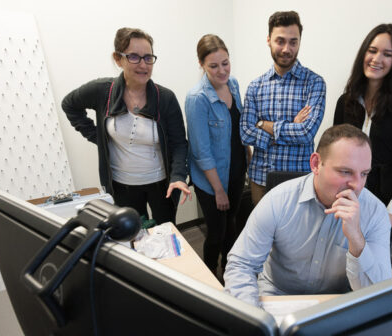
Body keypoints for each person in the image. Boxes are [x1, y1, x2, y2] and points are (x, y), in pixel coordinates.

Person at [224, 124, 392, 307]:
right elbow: (241, 265)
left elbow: (379, 293)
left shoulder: (375, 212)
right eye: (345, 172)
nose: (357, 185)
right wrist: (253, 319)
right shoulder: (278, 200)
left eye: (364, 174)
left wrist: (356, 239)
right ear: (315, 164)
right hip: (278, 296)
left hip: (336, 303)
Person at [62, 27, 191, 225]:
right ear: (118, 59)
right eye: (134, 57)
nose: (143, 65)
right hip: (121, 186)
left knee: (165, 234)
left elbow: (179, 144)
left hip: (161, 185)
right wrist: (100, 138)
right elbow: (69, 105)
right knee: (131, 237)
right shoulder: (101, 91)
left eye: (148, 58)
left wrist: (179, 176)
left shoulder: (165, 98)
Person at [333, 23, 392, 244]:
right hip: (345, 199)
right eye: (372, 50)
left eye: (387, 54)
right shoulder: (346, 101)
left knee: (372, 269)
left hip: (383, 204)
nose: (376, 59)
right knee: (339, 266)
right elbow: (332, 154)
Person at [240, 10, 326, 205]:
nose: (287, 48)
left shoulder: (314, 83)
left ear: (299, 42)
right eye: (280, 41)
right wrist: (291, 126)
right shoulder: (256, 86)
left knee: (297, 235)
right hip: (261, 178)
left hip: (299, 180)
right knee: (262, 234)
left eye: (293, 42)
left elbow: (306, 132)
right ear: (269, 40)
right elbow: (245, 133)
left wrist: (262, 124)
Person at [185, 34, 250, 277]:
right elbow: (201, 152)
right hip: (211, 179)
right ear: (201, 64)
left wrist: (248, 155)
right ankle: (210, 273)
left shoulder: (233, 84)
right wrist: (218, 190)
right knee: (216, 232)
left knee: (231, 225)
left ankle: (229, 271)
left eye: (225, 62)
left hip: (235, 169)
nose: (221, 70)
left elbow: (239, 126)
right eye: (213, 66)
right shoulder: (197, 99)